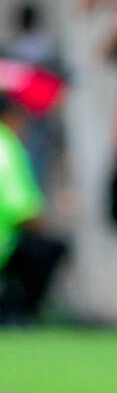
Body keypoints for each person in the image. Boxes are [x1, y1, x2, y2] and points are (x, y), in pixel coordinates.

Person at [0, 93, 68, 324]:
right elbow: (24, 209)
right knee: (48, 248)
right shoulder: (7, 148)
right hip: (4, 243)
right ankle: (16, 313)